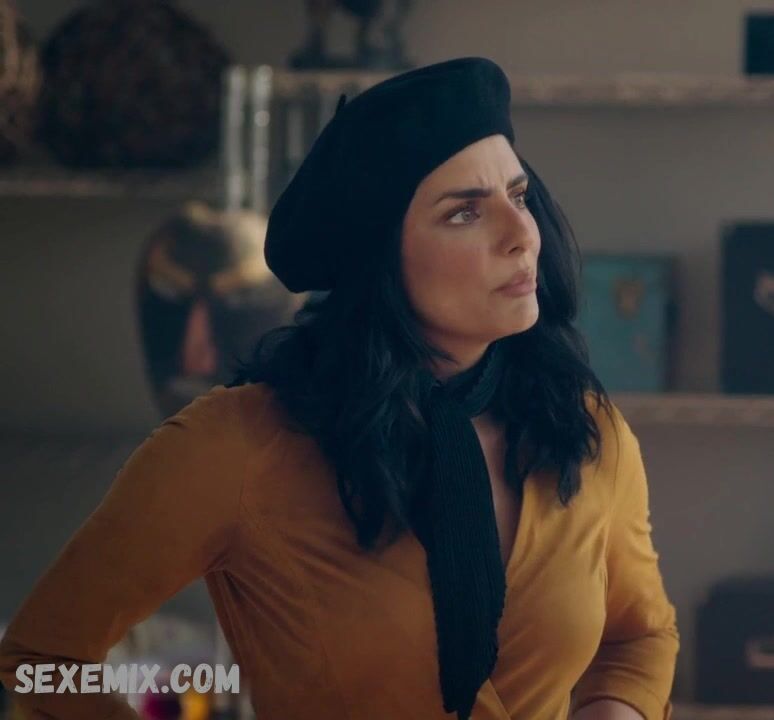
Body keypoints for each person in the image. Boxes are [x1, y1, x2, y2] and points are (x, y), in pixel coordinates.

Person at [0, 56, 679, 720]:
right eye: (464, 213)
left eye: (518, 196)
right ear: (380, 258)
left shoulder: (581, 428)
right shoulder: (238, 445)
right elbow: (41, 657)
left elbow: (640, 635)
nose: (521, 235)